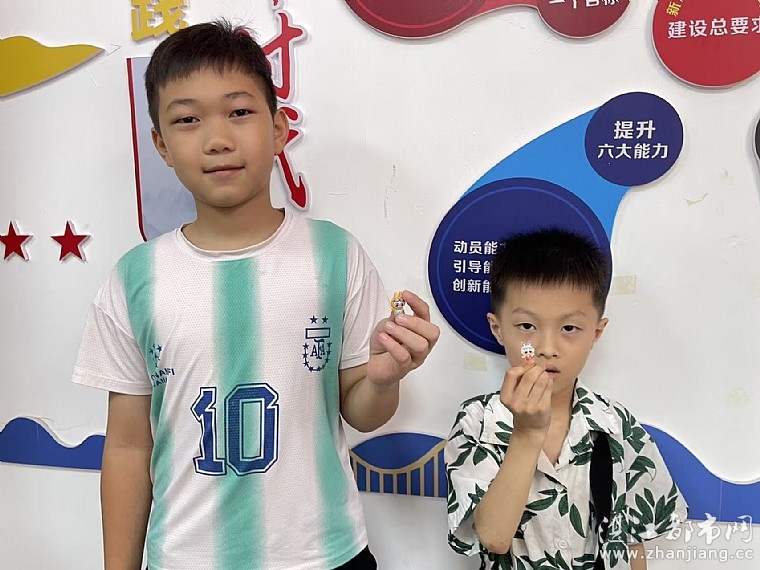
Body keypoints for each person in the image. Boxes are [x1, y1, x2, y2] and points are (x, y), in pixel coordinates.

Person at [72, 20, 439, 570]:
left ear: (279, 128)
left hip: (327, 556)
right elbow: (127, 445)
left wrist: (384, 380)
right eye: (188, 119)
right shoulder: (134, 279)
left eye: (239, 111)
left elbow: (362, 413)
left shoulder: (335, 255)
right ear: (161, 145)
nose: (217, 139)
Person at [444, 228, 687, 570]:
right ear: (498, 329)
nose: (547, 348)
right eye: (527, 326)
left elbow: (634, 541)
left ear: (596, 333)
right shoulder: (477, 420)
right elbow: (493, 537)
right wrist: (527, 433)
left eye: (569, 328)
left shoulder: (617, 425)